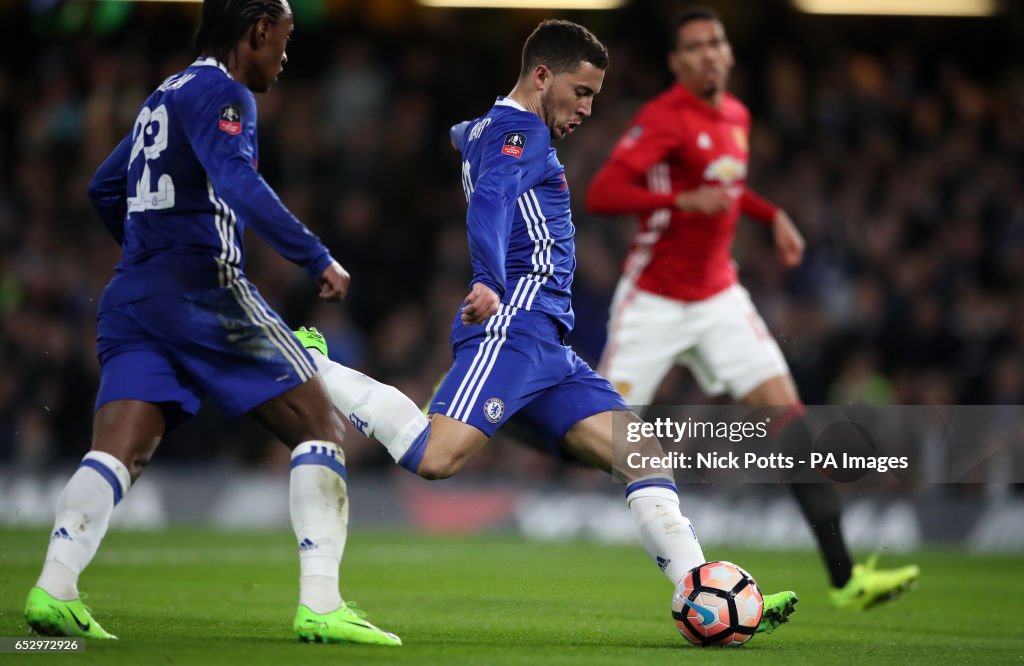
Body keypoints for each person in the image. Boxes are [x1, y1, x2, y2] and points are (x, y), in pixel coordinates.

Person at [288, 19, 797, 638]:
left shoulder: (492, 128)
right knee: (435, 456)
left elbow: (464, 137)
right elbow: (493, 200)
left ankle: (707, 594)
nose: (586, 108)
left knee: (642, 456)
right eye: (580, 92)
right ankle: (311, 362)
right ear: (542, 76)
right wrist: (489, 278)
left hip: (548, 342)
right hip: (514, 322)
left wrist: (471, 135)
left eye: (594, 97)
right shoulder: (519, 134)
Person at [24, 0, 399, 646]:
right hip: (201, 288)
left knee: (120, 450)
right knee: (319, 424)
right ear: (256, 31)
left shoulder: (163, 96)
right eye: (282, 43)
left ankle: (55, 586)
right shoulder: (225, 94)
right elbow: (238, 182)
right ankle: (322, 604)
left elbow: (102, 188)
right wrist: (315, 255)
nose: (284, 60)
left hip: (133, 295)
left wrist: (148, 250)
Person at [584, 5, 919, 611]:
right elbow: (603, 192)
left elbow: (730, 190)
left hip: (718, 297)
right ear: (676, 62)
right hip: (652, 302)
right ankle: (485, 413)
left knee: (791, 422)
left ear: (729, 53)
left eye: (716, 42)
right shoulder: (664, 118)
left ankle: (845, 580)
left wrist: (772, 216)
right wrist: (684, 196)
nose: (709, 53)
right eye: (694, 46)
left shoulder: (736, 115)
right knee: (597, 431)